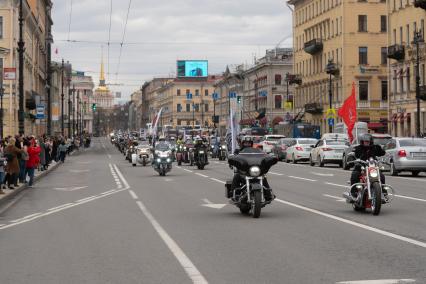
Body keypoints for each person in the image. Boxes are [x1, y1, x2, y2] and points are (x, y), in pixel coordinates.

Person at [230, 136, 274, 201]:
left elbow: (262, 156)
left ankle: (268, 194)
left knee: (263, 177)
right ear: (242, 143)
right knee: (236, 176)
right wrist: (232, 159)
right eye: (246, 143)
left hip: (252, 170)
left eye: (249, 143)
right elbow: (233, 157)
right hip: (243, 171)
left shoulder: (256, 151)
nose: (247, 144)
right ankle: (234, 194)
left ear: (251, 143)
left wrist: (267, 157)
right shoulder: (238, 151)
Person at [350, 133, 386, 198]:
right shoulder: (358, 148)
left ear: (371, 141)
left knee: (381, 176)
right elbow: (354, 155)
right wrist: (354, 159)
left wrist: (382, 150)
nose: (366, 143)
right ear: (362, 142)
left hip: (372, 167)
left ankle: (383, 192)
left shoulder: (375, 147)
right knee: (354, 174)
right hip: (361, 167)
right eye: (365, 141)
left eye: (368, 141)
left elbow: (382, 153)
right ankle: (354, 192)